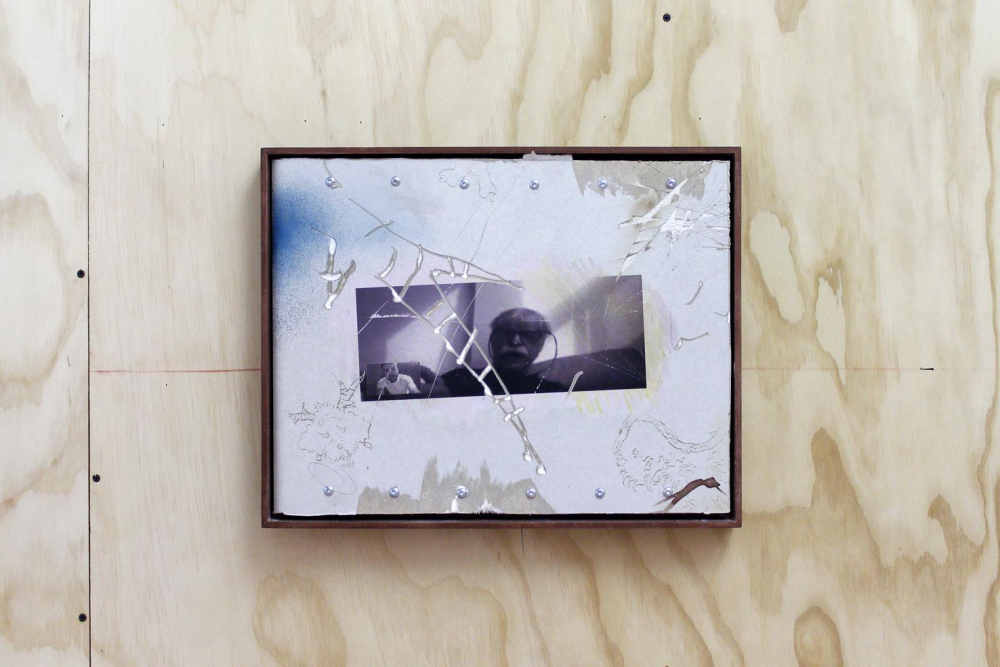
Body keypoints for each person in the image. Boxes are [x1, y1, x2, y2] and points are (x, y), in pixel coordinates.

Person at [440, 308, 565, 397]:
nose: (515, 341)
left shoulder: (555, 392)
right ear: (492, 341)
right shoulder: (457, 379)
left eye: (528, 334)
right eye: (506, 333)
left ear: (541, 344)